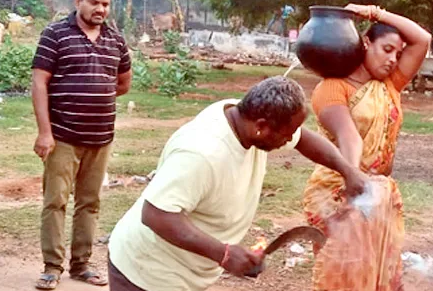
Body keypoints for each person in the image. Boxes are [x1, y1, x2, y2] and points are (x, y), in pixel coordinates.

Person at [107, 76, 369, 291]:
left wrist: (347, 170)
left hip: (183, 274)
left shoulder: (245, 116)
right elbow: (156, 215)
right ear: (262, 127)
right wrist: (224, 254)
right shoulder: (201, 153)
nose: (291, 139)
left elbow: (303, 139)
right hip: (146, 275)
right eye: (287, 133)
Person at [302, 4, 432, 291]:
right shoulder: (332, 88)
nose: (393, 59)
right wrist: (352, 185)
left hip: (376, 193)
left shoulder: (390, 85)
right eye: (386, 49)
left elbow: (422, 39)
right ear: (366, 43)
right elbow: (350, 136)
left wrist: (374, 13)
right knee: (342, 275)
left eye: (398, 54)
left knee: (376, 276)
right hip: (338, 192)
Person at [32, 0, 132, 290]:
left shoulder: (116, 39)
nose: (100, 9)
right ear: (78, 2)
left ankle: (82, 265)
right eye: (94, 2)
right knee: (56, 201)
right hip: (61, 136)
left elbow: (123, 83)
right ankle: (52, 267)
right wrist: (44, 132)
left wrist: (92, 97)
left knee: (90, 202)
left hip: (101, 138)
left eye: (105, 3)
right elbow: (39, 83)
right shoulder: (55, 34)